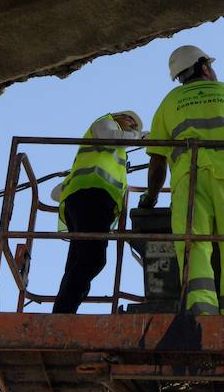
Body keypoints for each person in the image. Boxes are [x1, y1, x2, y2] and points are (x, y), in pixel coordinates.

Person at [143, 45, 224, 316]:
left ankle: (202, 313)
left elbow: (157, 159)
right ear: (204, 67)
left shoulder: (169, 102)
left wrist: (151, 197)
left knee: (193, 246)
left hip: (187, 179)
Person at [51, 111, 145, 314]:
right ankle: (64, 312)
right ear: (117, 116)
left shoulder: (108, 156)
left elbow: (56, 193)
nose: (133, 126)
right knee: (93, 259)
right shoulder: (105, 124)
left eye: (136, 126)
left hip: (87, 202)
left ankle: (63, 311)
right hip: (93, 199)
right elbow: (112, 137)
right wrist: (144, 136)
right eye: (130, 120)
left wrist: (73, 191)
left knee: (78, 262)